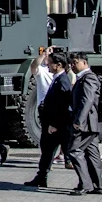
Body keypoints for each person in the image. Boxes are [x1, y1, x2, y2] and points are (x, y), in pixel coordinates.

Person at [24, 51, 73, 188]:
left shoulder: (62, 80)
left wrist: (54, 124)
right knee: (47, 150)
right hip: (51, 121)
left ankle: (86, 181)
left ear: (58, 65)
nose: (48, 64)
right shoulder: (56, 77)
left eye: (50, 62)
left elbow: (62, 106)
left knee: (70, 152)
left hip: (57, 124)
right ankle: (41, 177)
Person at [65, 52, 102, 195]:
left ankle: (86, 185)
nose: (73, 66)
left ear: (85, 63)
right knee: (92, 153)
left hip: (86, 124)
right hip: (89, 124)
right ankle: (98, 186)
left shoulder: (89, 78)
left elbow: (87, 100)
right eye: (71, 63)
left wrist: (78, 121)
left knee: (74, 151)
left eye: (75, 62)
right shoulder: (83, 78)